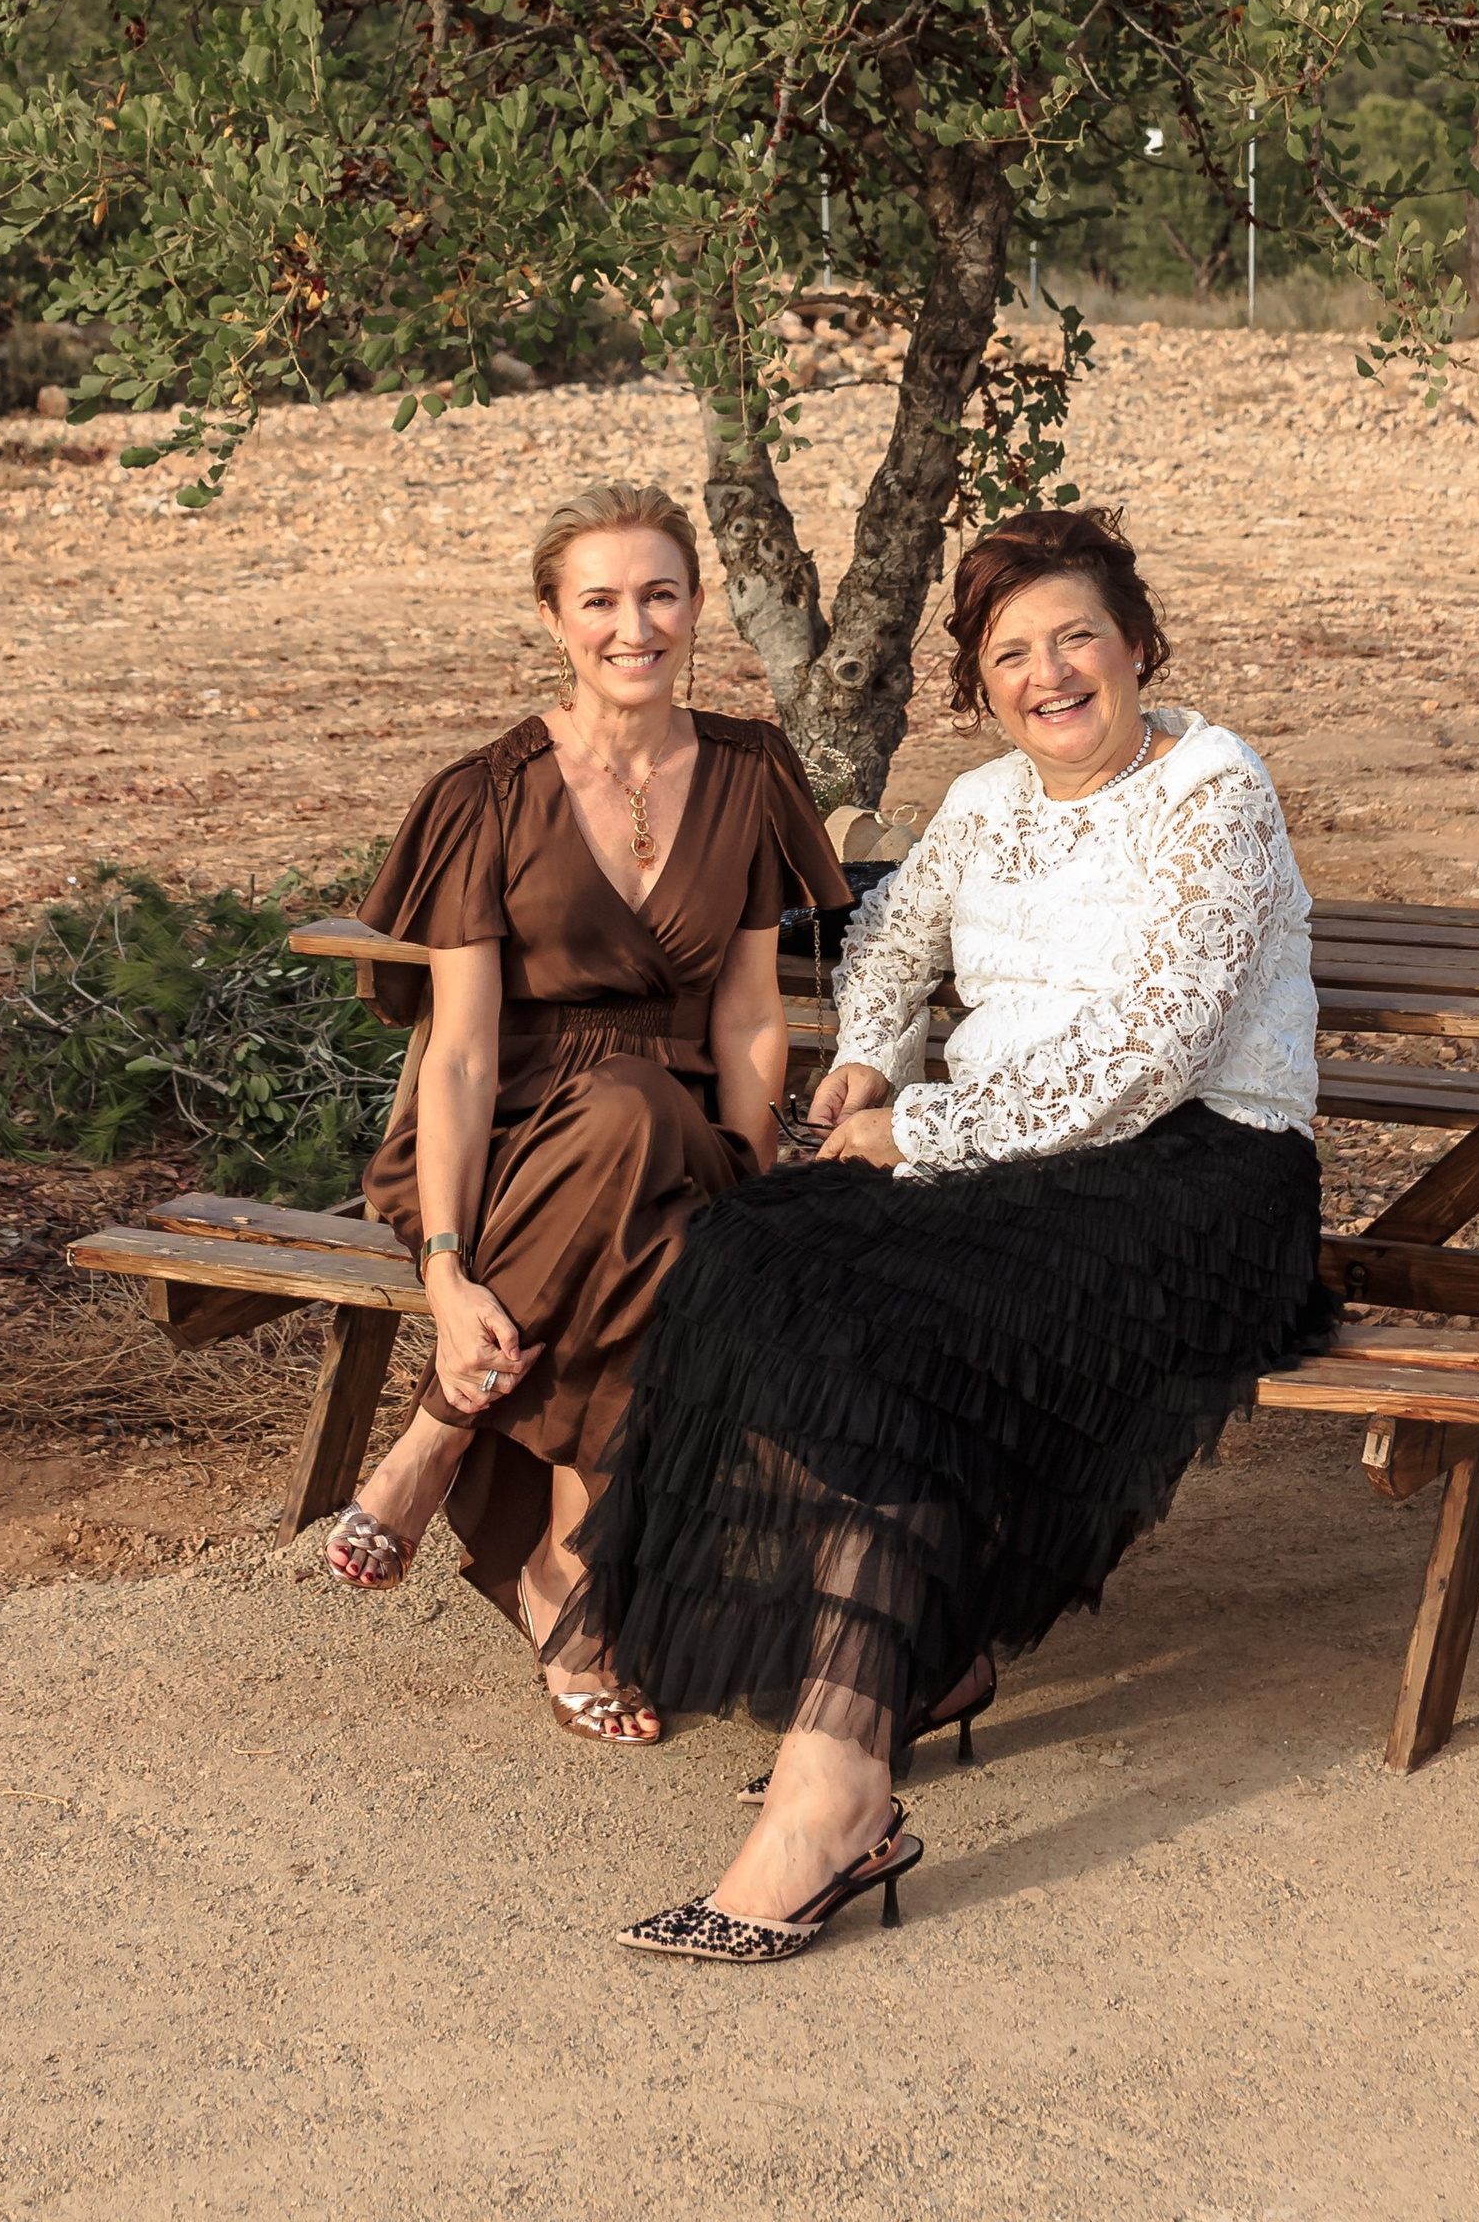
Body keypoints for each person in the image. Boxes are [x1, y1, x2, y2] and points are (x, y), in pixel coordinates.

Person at [561, 500, 1334, 1955]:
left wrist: (921, 1131)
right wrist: (869, 1059)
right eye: (1008, 654)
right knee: (745, 1257)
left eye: (1075, 640)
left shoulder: (1214, 786)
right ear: (977, 686)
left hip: (1200, 1177)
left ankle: (838, 1794)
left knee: (901, 1329)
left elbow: (1153, 1054)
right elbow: (889, 950)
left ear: (1139, 645)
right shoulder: (981, 807)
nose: (1047, 675)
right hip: (1009, 1166)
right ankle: (919, 1644)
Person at [325, 476, 849, 1745]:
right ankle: (563, 1562)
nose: (635, 626)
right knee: (628, 1139)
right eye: (602, 600)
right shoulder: (486, 795)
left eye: (660, 594)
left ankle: (449, 1445)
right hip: (502, 1147)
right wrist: (447, 1274)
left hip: (683, 1136)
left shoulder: (747, 770)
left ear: (696, 606)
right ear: (554, 618)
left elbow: (745, 1016)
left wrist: (767, 1192)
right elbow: (453, 1057)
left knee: (668, 1204)